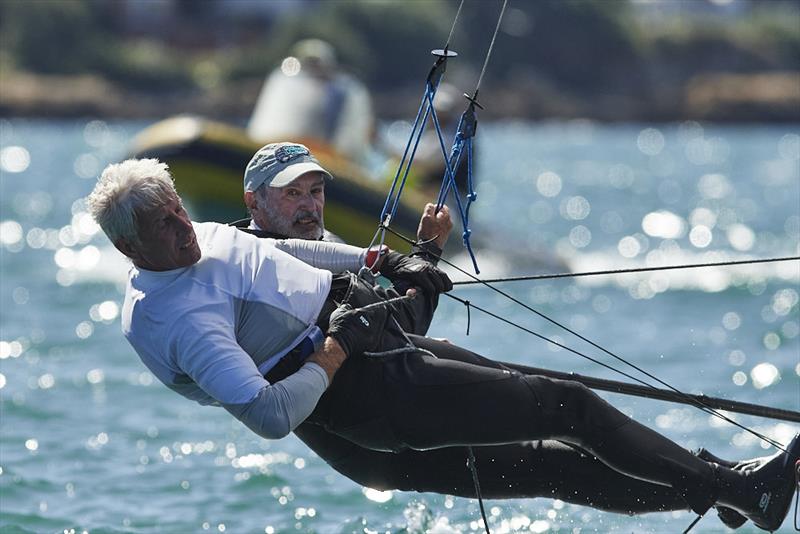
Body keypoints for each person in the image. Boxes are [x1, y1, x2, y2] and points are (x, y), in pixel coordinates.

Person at [87, 158, 799, 532]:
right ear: (128, 246)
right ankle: (737, 489)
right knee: (569, 407)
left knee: (550, 460)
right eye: (163, 230)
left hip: (368, 356)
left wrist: (375, 263)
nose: (182, 232)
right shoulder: (178, 321)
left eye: (179, 213)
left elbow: (272, 255)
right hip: (357, 391)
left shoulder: (206, 237)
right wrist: (335, 348)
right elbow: (272, 416)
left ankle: (723, 489)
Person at [248, 39, 374, 163]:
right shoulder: (284, 81)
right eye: (308, 63)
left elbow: (349, 147)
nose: (312, 68)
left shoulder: (345, 92)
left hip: (328, 159)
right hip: (281, 150)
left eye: (316, 63)